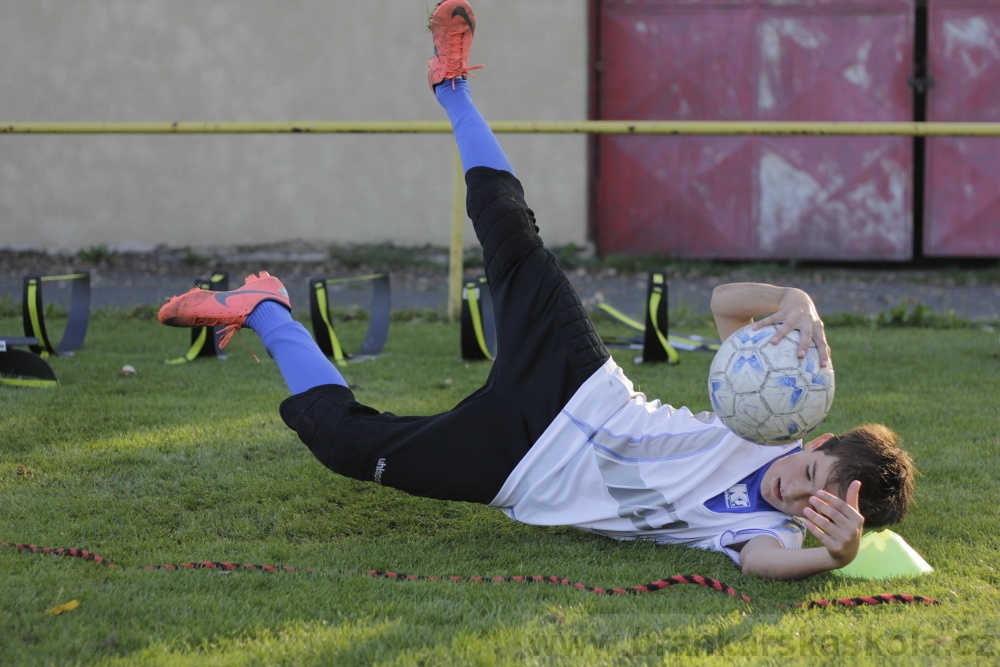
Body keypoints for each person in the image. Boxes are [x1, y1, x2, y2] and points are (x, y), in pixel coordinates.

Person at [158, 0, 915, 580]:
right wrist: (795, 300)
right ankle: (452, 85)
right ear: (814, 441)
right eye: (811, 474)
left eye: (813, 506)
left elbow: (761, 567)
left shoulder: (770, 535)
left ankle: (264, 307)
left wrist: (834, 556)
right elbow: (724, 306)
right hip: (580, 384)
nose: (794, 490)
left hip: (518, 468)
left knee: (347, 444)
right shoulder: (769, 419)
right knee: (512, 234)